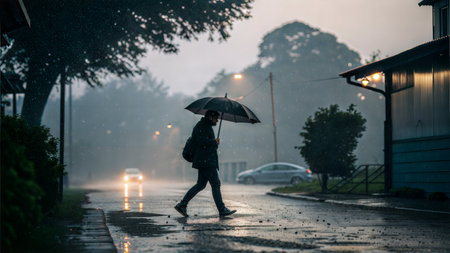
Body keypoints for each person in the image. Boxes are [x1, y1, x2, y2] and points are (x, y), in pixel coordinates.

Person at [175, 110, 236, 217]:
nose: (217, 120)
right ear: (210, 117)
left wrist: (215, 143)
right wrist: (213, 142)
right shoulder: (201, 127)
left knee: (201, 185)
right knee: (215, 184)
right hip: (206, 161)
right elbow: (201, 142)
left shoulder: (206, 127)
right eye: (216, 118)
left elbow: (208, 145)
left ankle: (182, 205)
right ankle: (222, 209)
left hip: (205, 160)